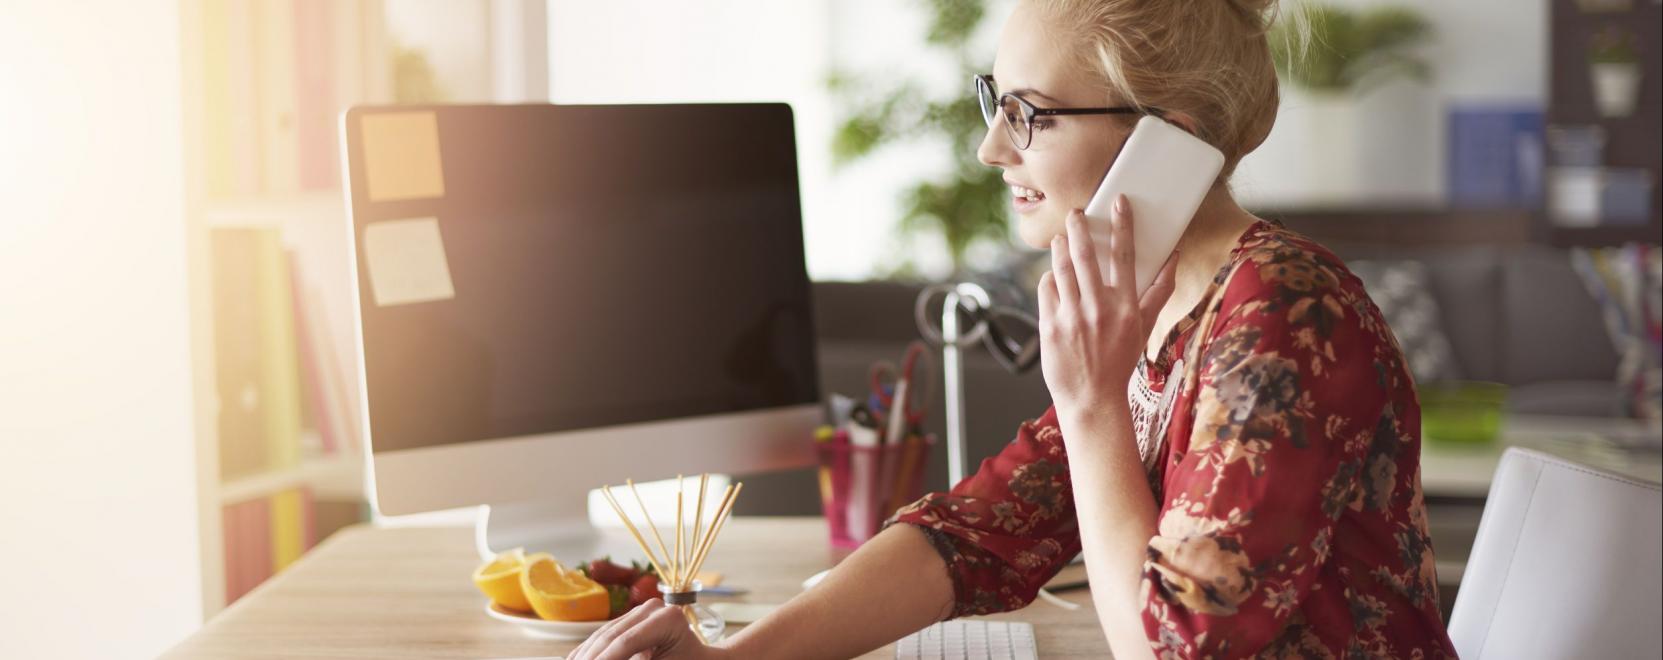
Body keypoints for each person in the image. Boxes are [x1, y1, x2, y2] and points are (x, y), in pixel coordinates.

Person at [568, 0, 1457, 657]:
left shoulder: (1284, 317)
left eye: (1030, 113)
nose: (992, 148)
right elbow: (981, 530)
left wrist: (1093, 406)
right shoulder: (1156, 302)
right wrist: (735, 657)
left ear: (1165, 141)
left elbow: (1180, 645)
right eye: (994, 100)